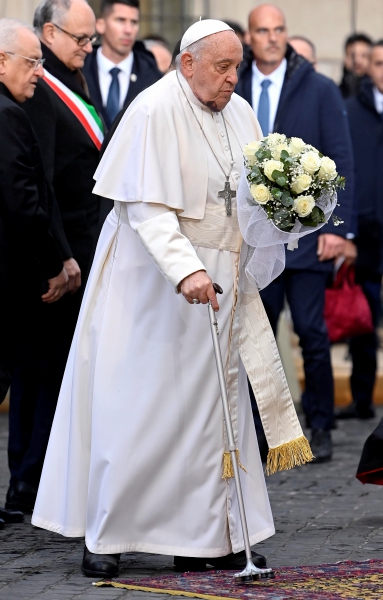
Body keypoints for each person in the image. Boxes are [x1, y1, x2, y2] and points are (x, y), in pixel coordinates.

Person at [31, 19, 313, 578]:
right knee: (140, 411)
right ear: (187, 64)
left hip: (222, 284)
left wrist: (288, 211)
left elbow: (251, 189)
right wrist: (186, 270)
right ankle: (108, 536)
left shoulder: (238, 110)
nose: (234, 78)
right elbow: (146, 209)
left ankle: (209, 538)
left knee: (215, 416)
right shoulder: (153, 110)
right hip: (151, 288)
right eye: (222, 67)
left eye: (238, 67)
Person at [236, 4, 354, 462]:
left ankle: (320, 424)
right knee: (256, 335)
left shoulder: (320, 89)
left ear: (287, 34)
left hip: (306, 237)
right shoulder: (236, 84)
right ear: (250, 36)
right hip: (252, 239)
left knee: (312, 332)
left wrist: (342, 230)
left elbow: (342, 158)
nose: (271, 38)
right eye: (262, 31)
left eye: (278, 30)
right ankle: (262, 430)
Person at [5, 0, 101, 514]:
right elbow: (38, 184)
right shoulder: (39, 87)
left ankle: (39, 478)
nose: (88, 49)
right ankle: (29, 480)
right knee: (39, 370)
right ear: (49, 32)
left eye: (91, 41)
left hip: (79, 246)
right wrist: (61, 258)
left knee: (56, 369)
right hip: (56, 254)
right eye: (80, 39)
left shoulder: (74, 78)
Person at [0, 18, 68, 524]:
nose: (40, 73)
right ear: (2, 61)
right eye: (32, 62)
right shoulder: (8, 117)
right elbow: (24, 205)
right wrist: (56, 265)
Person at [336, 41, 383, 421]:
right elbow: (345, 171)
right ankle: (363, 398)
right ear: (369, 67)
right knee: (362, 316)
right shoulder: (349, 112)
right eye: (380, 63)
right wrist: (348, 232)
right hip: (367, 234)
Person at [83, 0, 162, 129]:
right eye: (120, 20)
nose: (128, 30)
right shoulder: (80, 69)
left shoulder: (152, 76)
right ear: (100, 25)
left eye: (134, 22)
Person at [339, 33, 372, 99]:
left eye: (363, 56)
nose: (357, 61)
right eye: (352, 56)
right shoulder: (336, 94)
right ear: (345, 60)